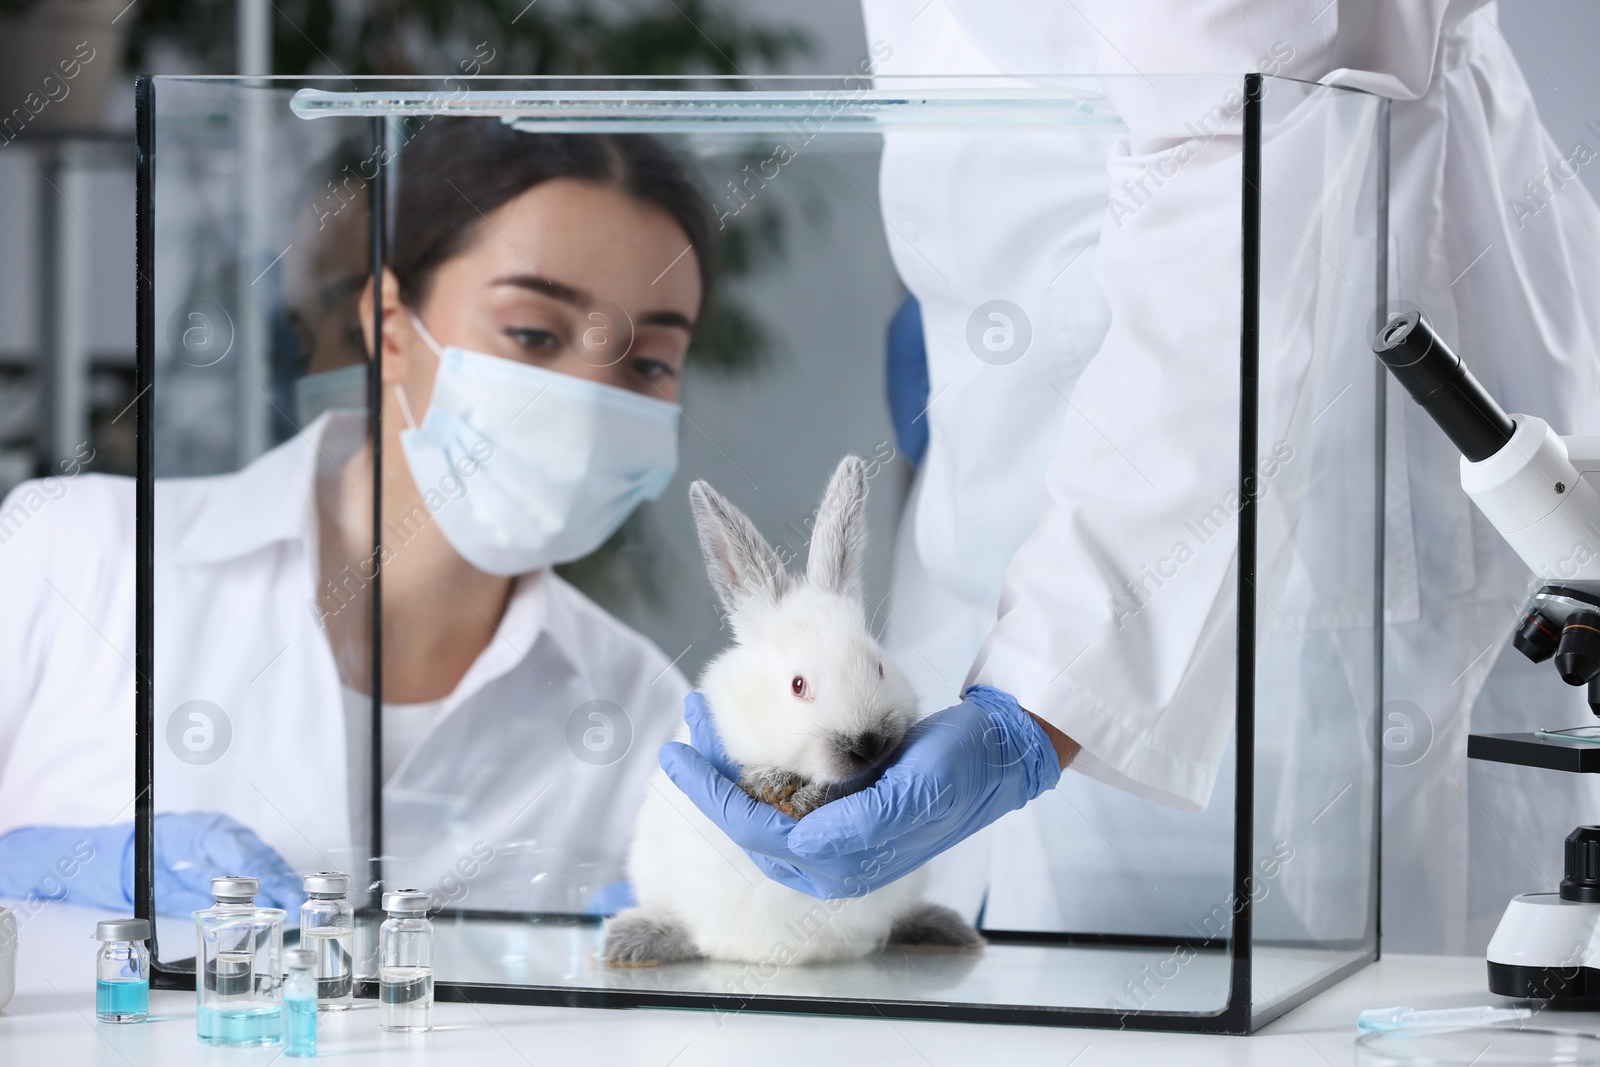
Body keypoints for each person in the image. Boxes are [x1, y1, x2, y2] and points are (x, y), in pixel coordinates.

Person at [662, 0, 1600, 955]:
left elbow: (1242, 155)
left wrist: (1041, 702)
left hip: (1312, 428)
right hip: (1027, 452)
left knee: (1343, 979)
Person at [0, 118, 714, 917]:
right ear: (389, 325)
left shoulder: (642, 711)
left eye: (650, 362)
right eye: (532, 333)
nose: (587, 405)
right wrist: (45, 870)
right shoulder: (74, 554)